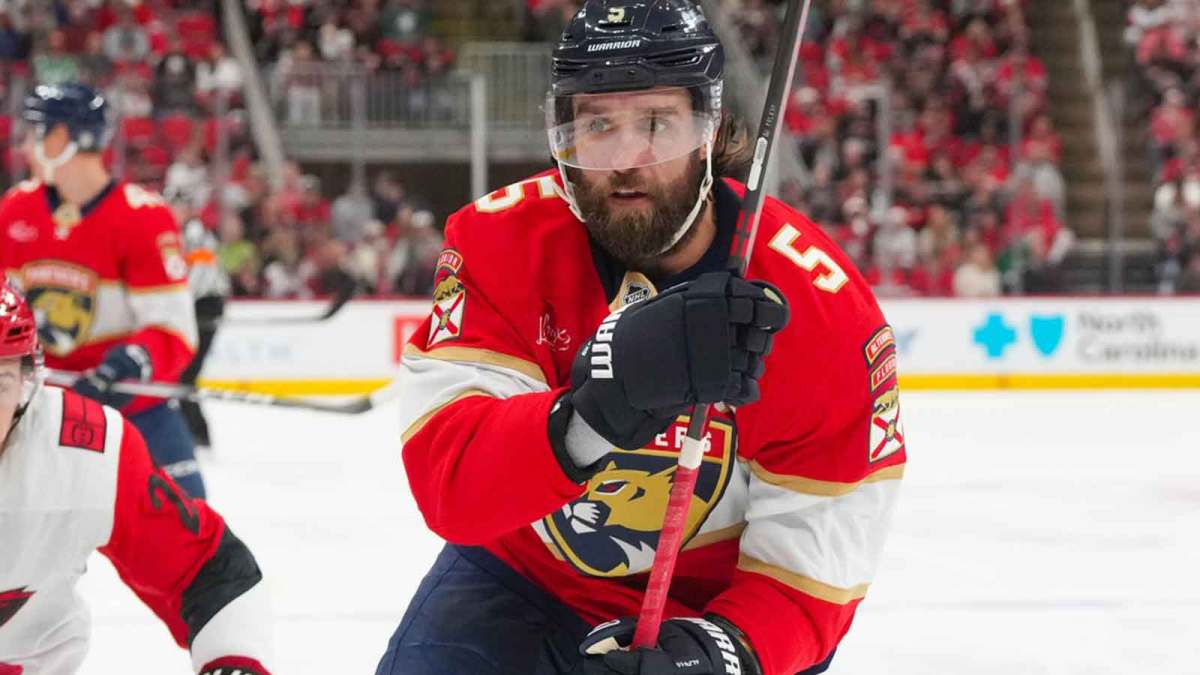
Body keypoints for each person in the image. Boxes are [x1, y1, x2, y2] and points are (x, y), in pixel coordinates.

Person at [376, 2, 906, 675]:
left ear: (710, 131)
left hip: (715, 607)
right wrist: (594, 409)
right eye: (597, 125)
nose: (626, 158)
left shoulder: (819, 307)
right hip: (525, 580)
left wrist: (724, 651)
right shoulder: (500, 244)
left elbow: (820, 563)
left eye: (657, 124)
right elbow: (451, 483)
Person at [0, 284, 272, 674]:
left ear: (28, 384)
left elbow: (206, 570)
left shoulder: (82, 451)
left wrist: (234, 662)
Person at [0, 83, 205, 497]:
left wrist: (128, 364)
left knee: (193, 541)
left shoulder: (142, 218)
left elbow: (174, 330)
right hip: (41, 412)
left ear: (60, 138)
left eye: (35, 133)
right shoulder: (16, 210)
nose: (26, 146)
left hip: (132, 413)